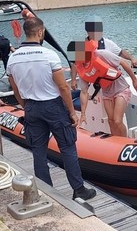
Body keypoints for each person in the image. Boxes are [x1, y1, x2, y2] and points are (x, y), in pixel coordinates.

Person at [6, 17, 96, 201]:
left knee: (38, 150)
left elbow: (14, 87)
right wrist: (72, 112)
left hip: (31, 106)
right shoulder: (49, 55)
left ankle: (47, 191)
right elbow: (63, 87)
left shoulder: (13, 58)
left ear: (25, 32)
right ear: (40, 32)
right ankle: (78, 189)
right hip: (52, 106)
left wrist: (25, 106)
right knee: (67, 147)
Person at [69, 39, 137, 137]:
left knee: (117, 120)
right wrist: (83, 114)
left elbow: (122, 62)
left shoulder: (101, 54)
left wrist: (134, 80)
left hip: (121, 88)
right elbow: (84, 92)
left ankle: (125, 141)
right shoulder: (81, 68)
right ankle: (116, 142)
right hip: (107, 92)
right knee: (111, 121)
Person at [71, 20, 137, 90]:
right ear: (88, 32)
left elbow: (121, 52)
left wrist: (132, 58)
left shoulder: (107, 43)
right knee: (84, 90)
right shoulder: (80, 45)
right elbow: (75, 64)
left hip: (105, 76)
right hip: (89, 75)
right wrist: (73, 79)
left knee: (115, 78)